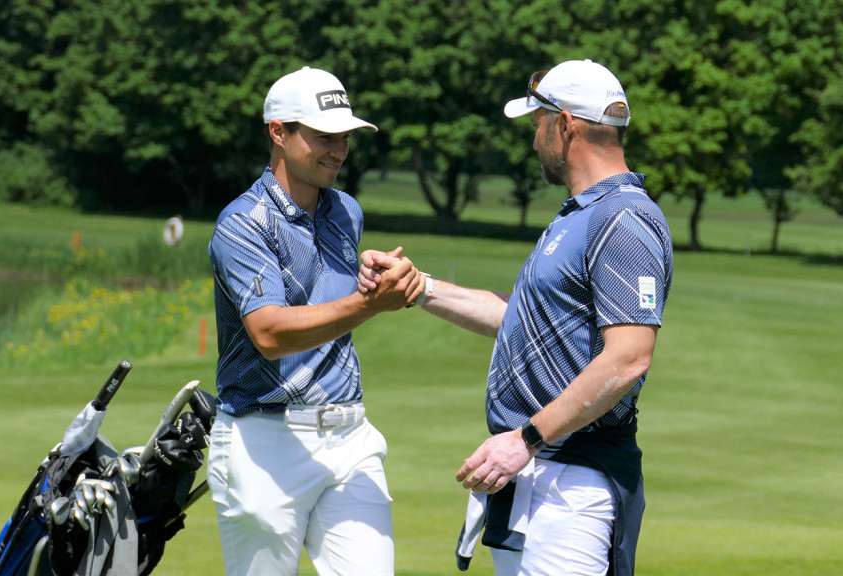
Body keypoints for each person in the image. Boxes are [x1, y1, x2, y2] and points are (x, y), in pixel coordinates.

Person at [361, 59, 674, 575]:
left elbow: (628, 358)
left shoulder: (625, 219)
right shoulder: (581, 214)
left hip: (574, 480)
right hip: (538, 474)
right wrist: (419, 287)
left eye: (536, 125)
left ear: (565, 124)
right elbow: (521, 319)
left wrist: (525, 439)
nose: (534, 142)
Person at [207, 66, 423, 576]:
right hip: (262, 441)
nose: (339, 150)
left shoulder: (346, 210)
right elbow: (270, 333)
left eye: (344, 137)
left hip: (350, 436)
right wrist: (370, 304)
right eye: (324, 136)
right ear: (278, 132)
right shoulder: (242, 223)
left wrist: (368, 280)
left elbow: (329, 295)